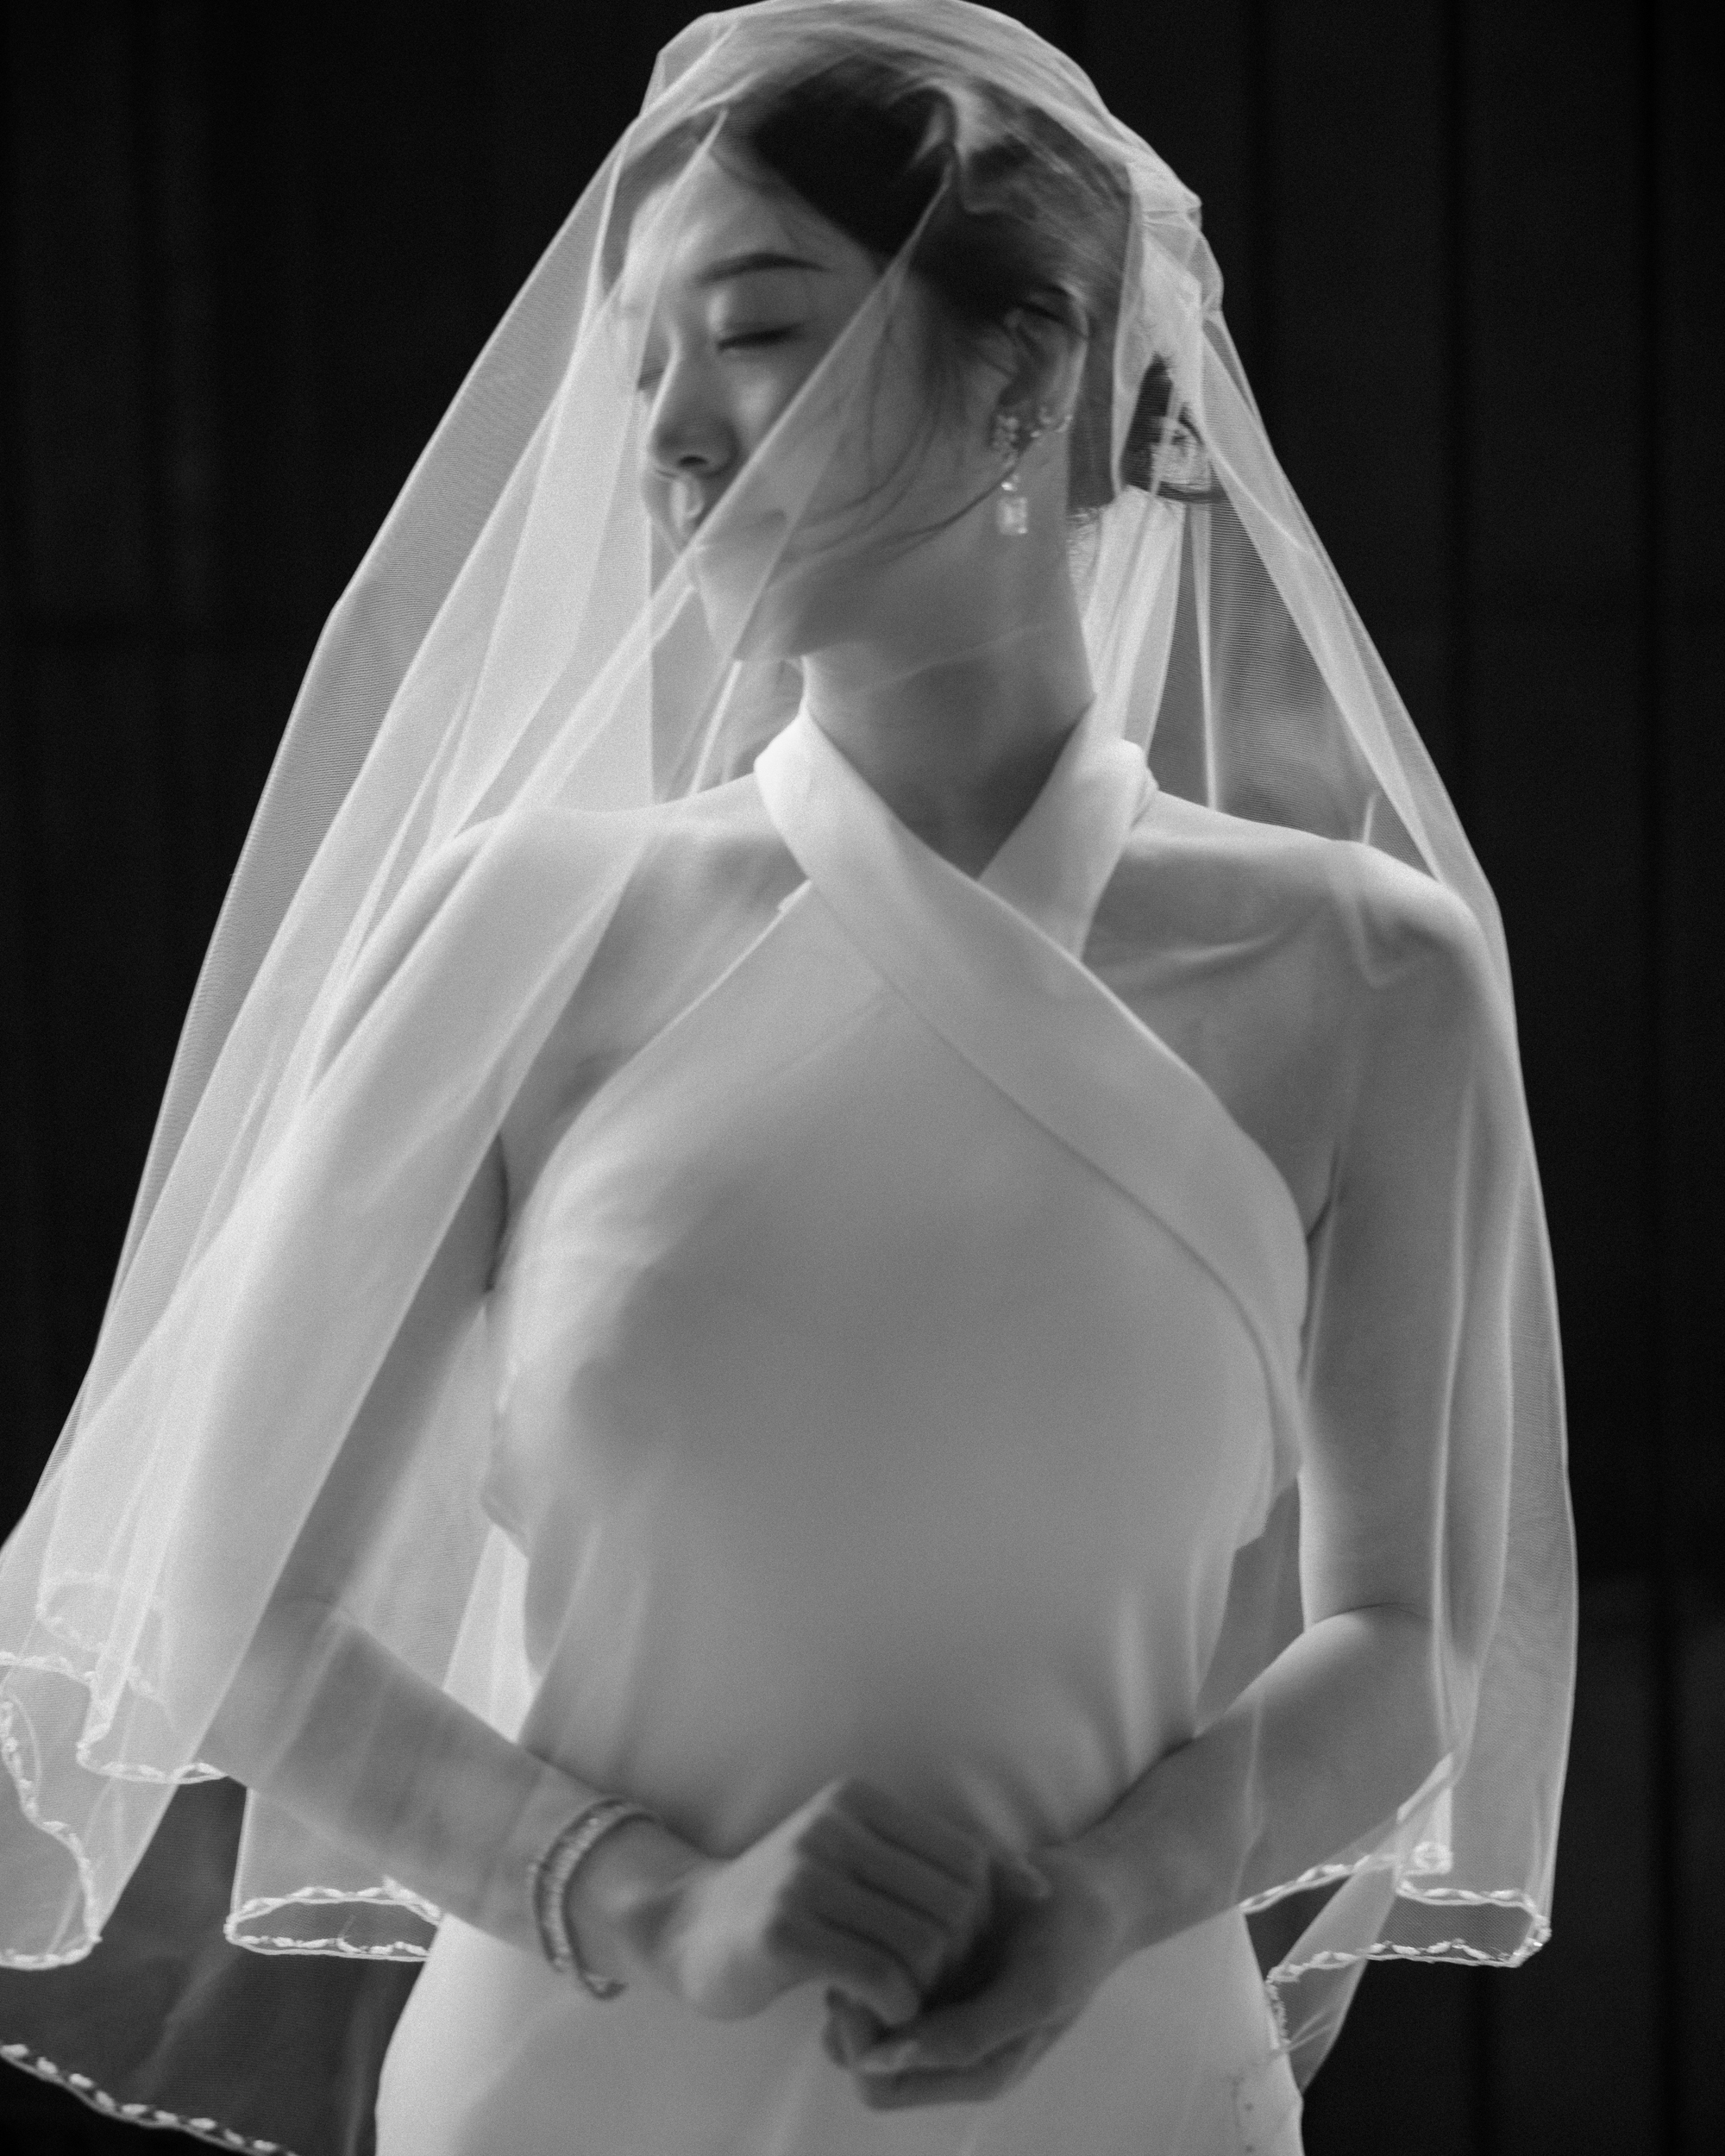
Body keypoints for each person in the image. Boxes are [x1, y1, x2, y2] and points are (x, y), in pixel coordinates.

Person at [0, 5, 1575, 2153]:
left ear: (1021, 375)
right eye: (637, 361)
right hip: (570, 2082)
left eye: (750, 332)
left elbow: (1400, 1639)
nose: (662, 430)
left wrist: (1103, 1887)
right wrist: (648, 1892)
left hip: (1120, 2085)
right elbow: (228, 1611)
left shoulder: (1370, 974)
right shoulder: (523, 925)